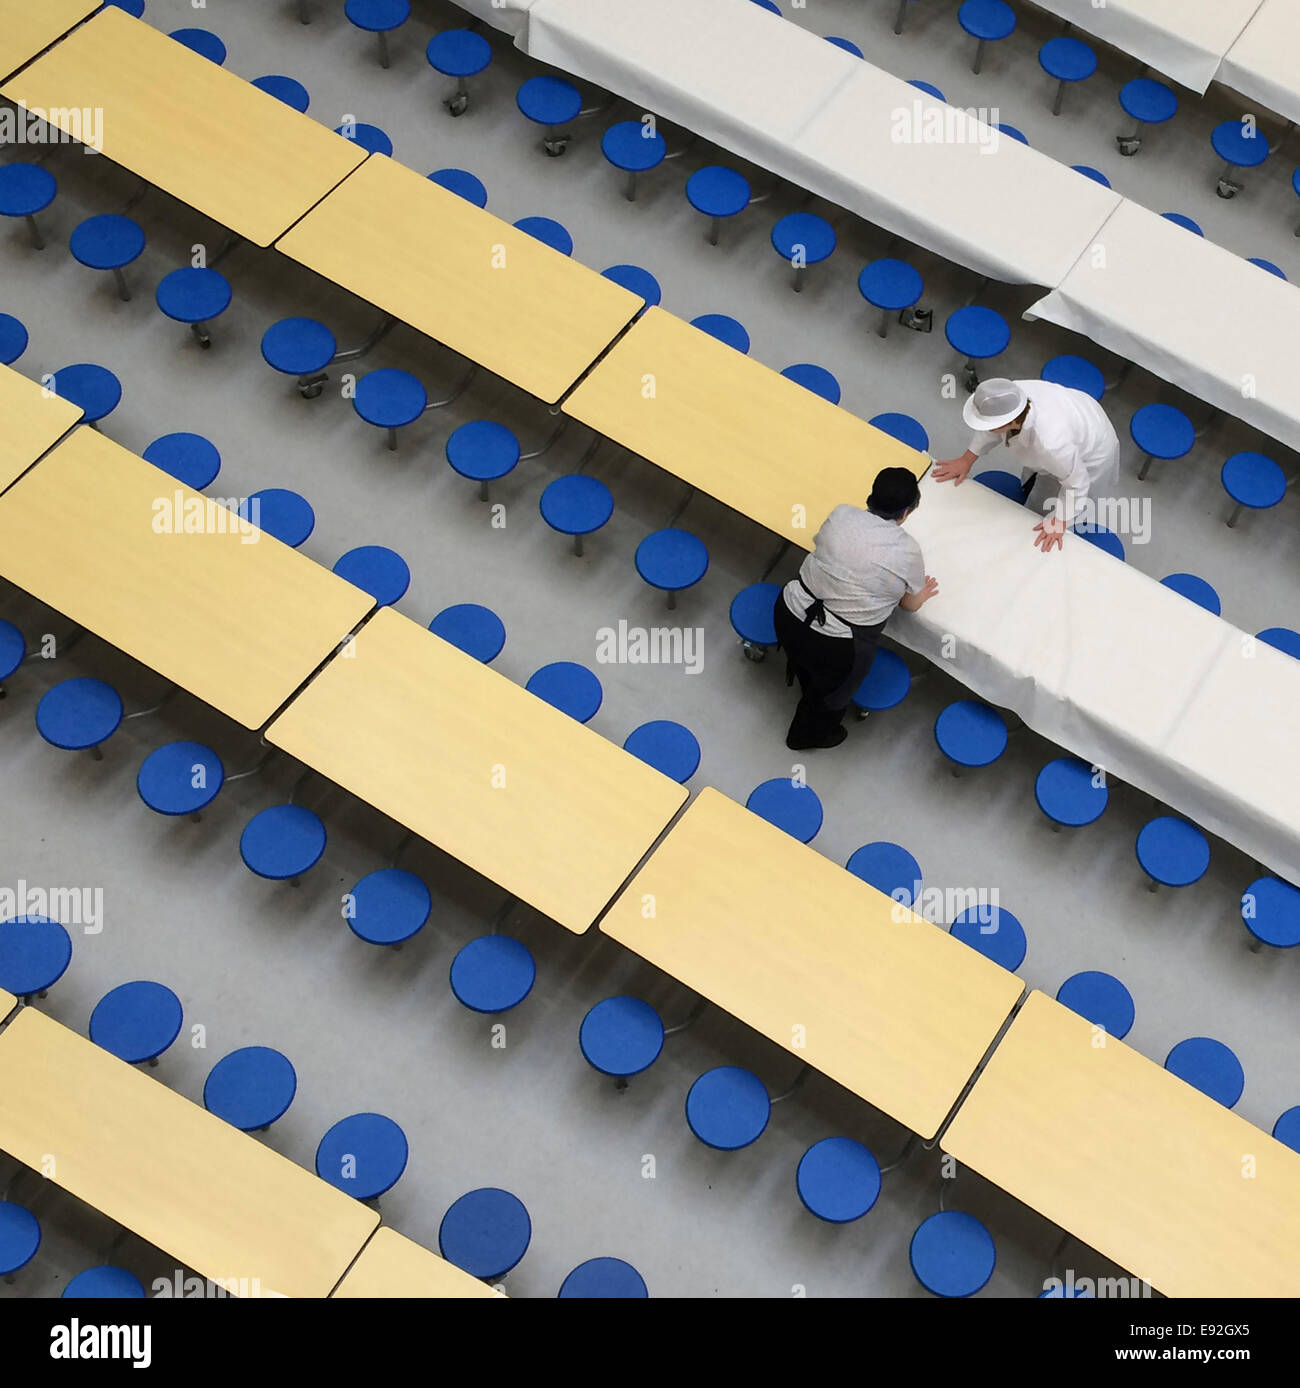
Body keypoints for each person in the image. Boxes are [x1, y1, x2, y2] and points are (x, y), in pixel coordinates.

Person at [772, 467, 938, 751]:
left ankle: (805, 681)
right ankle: (806, 737)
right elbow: (908, 604)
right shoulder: (908, 551)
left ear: (871, 497)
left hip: (789, 609)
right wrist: (922, 594)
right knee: (831, 695)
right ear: (908, 511)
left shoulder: (840, 514)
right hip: (838, 645)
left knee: (804, 660)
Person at [932, 378, 1120, 552]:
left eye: (992, 426)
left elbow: (1078, 483)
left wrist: (1060, 521)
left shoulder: (1051, 443)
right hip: (1077, 413)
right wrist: (966, 459)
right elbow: (992, 428)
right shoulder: (1006, 397)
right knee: (1038, 479)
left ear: (1012, 421)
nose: (988, 430)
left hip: (1094, 449)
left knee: (1052, 510)